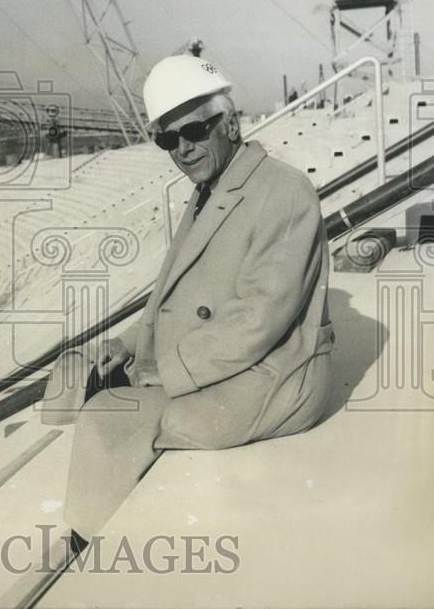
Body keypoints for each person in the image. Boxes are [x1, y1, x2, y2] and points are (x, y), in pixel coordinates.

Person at [58, 55, 335, 546]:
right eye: (168, 139)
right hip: (233, 361)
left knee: (111, 414)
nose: (183, 149)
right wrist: (127, 344)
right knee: (88, 388)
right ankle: (95, 533)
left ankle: (96, 550)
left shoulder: (285, 191)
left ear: (230, 123)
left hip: (278, 374)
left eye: (194, 131)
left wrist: (162, 368)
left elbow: (260, 317)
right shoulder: (214, 186)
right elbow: (179, 292)